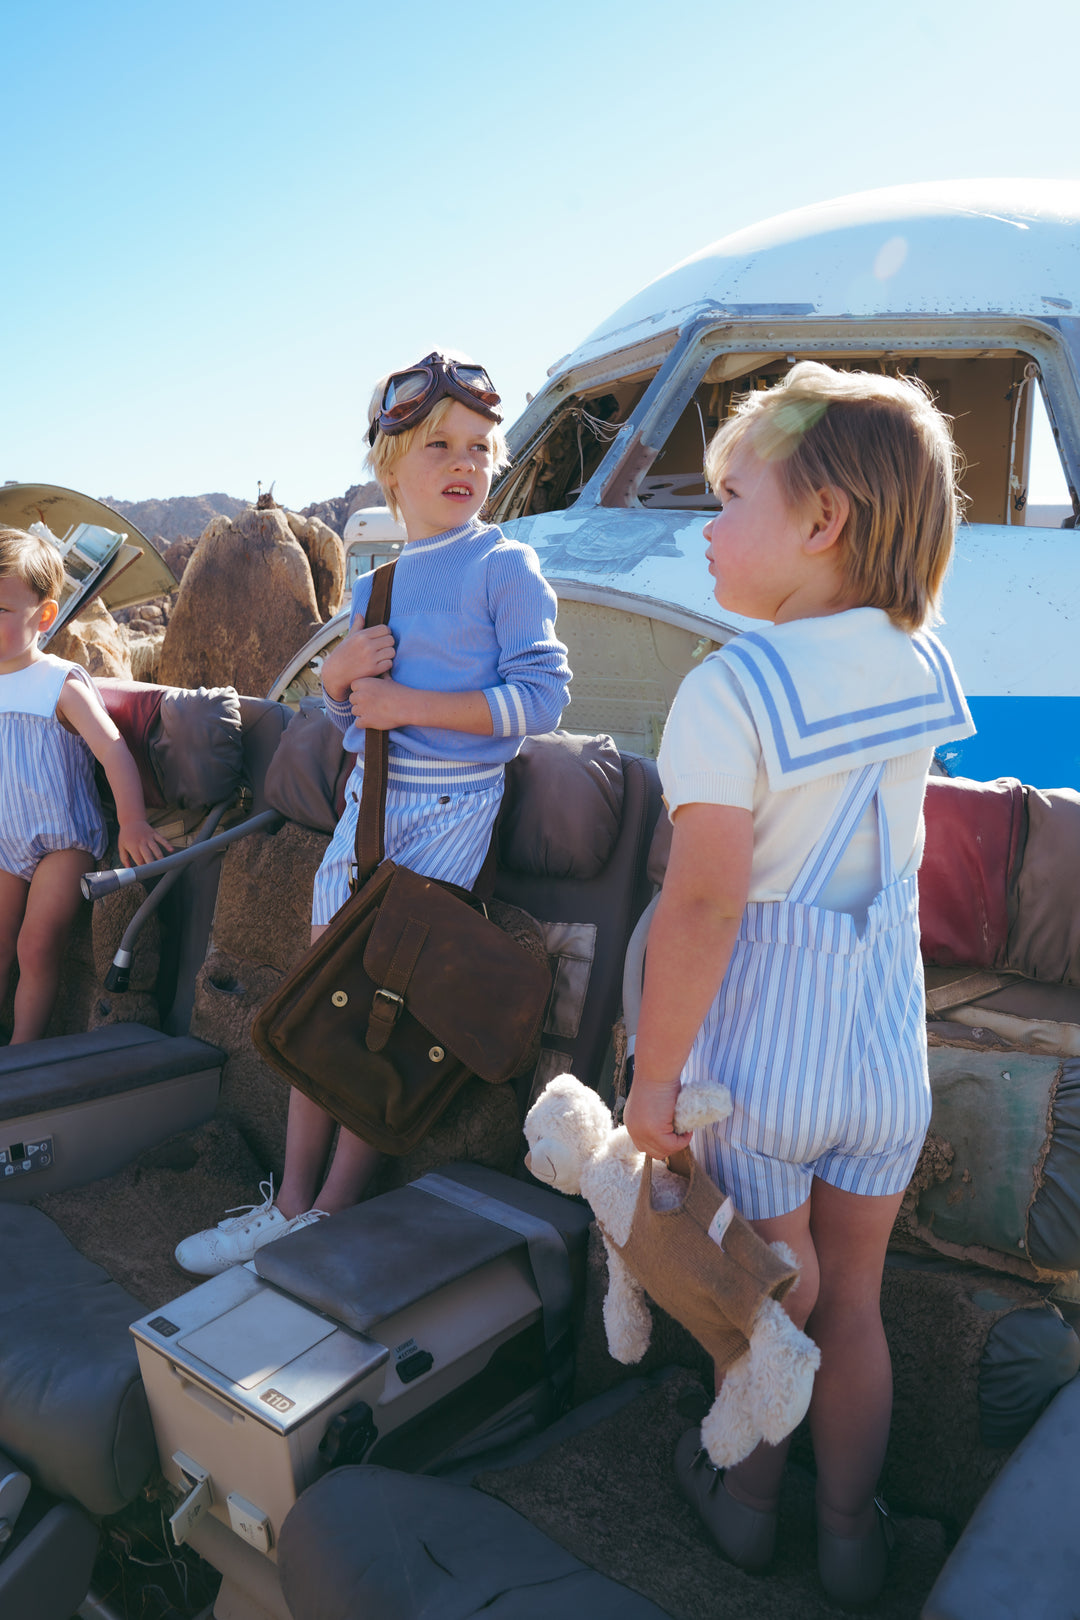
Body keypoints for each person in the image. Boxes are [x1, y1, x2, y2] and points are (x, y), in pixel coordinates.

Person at [623, 362, 974, 1607]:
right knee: (856, 1303)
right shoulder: (918, 666)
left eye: (729, 498)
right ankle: (852, 1536)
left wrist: (654, 1077)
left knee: (773, 1312)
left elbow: (706, 903)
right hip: (887, 1049)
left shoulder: (731, 691)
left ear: (822, 524)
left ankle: (746, 1511)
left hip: (765, 1065)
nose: (705, 527)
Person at [175, 350, 572, 1276]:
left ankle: (331, 1212)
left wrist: (408, 707)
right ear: (392, 468)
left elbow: (542, 698)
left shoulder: (502, 565)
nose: (463, 461)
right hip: (368, 813)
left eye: (478, 444)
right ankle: (289, 1199)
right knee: (322, 1001)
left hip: (448, 810)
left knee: (376, 1015)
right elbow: (355, 720)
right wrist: (337, 679)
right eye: (438, 444)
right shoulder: (377, 586)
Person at [0, 527, 172, 1045]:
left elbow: (113, 748)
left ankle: (23, 1050)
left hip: (62, 839)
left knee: (35, 944)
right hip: (5, 839)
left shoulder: (59, 682)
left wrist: (133, 820)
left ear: (44, 616)